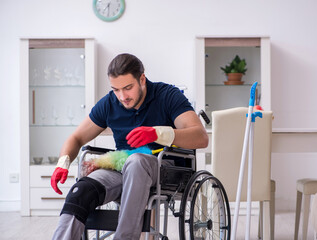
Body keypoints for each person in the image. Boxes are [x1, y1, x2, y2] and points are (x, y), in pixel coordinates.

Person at [51, 53, 208, 240]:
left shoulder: (167, 95)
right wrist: (63, 163)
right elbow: (76, 138)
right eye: (116, 89)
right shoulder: (109, 103)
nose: (122, 96)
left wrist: (157, 133)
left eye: (128, 88)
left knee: (136, 162)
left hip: (165, 168)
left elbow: (200, 137)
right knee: (82, 190)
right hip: (123, 168)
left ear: (142, 79)